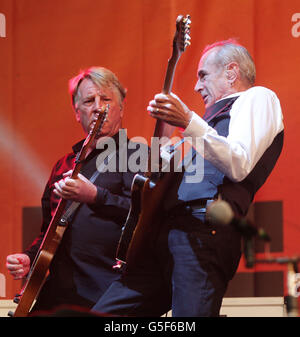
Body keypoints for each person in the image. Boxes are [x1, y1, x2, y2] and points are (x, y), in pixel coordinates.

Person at [92, 39, 284, 317]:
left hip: (201, 234)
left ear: (231, 73)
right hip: (163, 238)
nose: (196, 86)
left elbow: (239, 162)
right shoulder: (205, 126)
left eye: (203, 75)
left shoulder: (257, 98)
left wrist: (189, 121)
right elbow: (158, 185)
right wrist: (168, 142)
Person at [6, 66, 144, 313]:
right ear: (77, 113)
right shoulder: (63, 164)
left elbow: (144, 216)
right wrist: (30, 258)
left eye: (106, 99)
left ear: (121, 108)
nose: (98, 107)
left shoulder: (137, 155)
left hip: (109, 293)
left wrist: (95, 195)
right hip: (59, 293)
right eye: (90, 100)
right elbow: (49, 230)